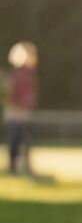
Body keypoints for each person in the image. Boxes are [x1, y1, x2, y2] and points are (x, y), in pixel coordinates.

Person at [5, 41, 38, 174]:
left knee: (21, 138)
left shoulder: (27, 73)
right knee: (17, 138)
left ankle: (20, 165)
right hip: (17, 109)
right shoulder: (18, 73)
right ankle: (14, 166)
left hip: (22, 109)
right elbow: (12, 92)